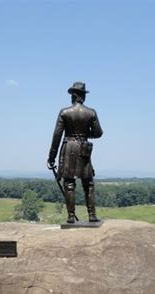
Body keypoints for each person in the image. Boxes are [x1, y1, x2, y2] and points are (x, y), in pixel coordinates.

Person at [48, 82, 103, 223]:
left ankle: (71, 217)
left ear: (73, 96)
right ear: (82, 96)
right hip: (83, 148)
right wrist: (84, 135)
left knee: (69, 184)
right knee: (88, 183)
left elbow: (57, 135)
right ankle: (91, 215)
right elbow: (98, 133)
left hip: (69, 148)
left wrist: (51, 156)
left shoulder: (64, 112)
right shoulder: (91, 113)